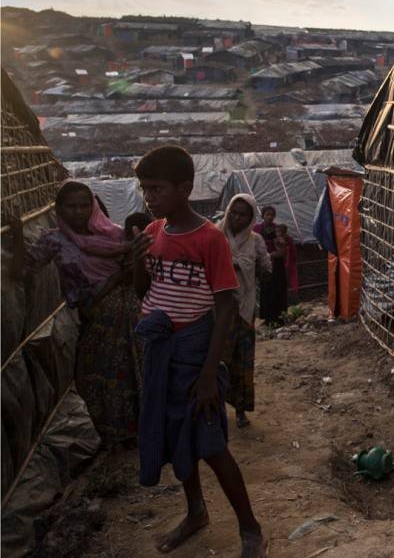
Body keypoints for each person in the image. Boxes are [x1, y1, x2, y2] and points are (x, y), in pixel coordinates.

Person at [129, 146, 267, 557]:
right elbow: (144, 292)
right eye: (145, 189)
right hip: (160, 354)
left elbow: (224, 304)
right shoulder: (154, 233)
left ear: (185, 188)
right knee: (175, 440)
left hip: (194, 354)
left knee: (211, 445)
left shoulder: (209, 238)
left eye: (157, 188)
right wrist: (137, 262)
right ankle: (196, 512)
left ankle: (251, 528)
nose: (149, 197)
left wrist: (210, 371)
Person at [8, 181, 142, 445]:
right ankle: (114, 435)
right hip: (92, 316)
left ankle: (135, 434)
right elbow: (20, 273)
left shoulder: (116, 235)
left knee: (128, 370)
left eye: (84, 206)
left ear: (93, 207)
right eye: (71, 206)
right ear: (59, 208)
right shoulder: (54, 240)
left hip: (125, 311)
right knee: (91, 379)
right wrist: (17, 236)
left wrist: (115, 281)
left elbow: (133, 275)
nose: (78, 212)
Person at [218, 194, 271, 429]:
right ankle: (216, 408)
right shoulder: (216, 236)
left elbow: (265, 270)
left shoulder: (256, 240)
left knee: (243, 361)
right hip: (217, 309)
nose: (237, 218)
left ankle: (240, 410)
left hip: (244, 308)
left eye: (243, 215)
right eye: (234, 213)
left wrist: (253, 268)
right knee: (218, 361)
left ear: (251, 218)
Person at [254, 206, 287, 325]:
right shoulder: (257, 229)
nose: (270, 217)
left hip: (277, 264)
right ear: (262, 215)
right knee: (266, 289)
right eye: (267, 214)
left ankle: (279, 317)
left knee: (278, 289)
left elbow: (283, 247)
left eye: (272, 215)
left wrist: (273, 254)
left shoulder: (278, 229)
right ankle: (267, 318)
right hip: (263, 263)